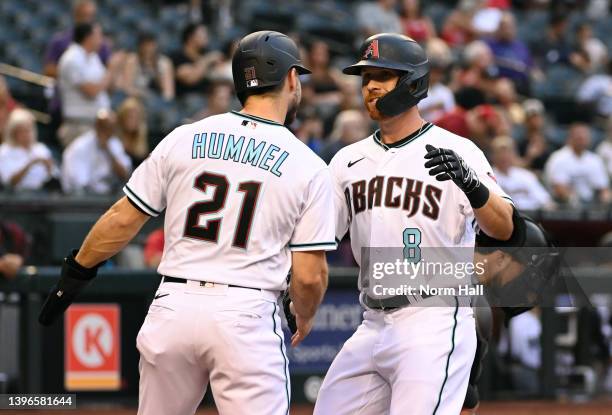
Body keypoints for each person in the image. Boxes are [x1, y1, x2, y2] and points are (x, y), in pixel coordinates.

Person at [39, 31, 336, 415]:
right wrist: (305, 312)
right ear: (291, 79)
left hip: (173, 306)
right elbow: (310, 277)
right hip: (246, 313)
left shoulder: (185, 136)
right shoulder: (308, 164)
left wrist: (74, 273)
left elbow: (121, 219)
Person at [314, 33, 514, 415]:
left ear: (413, 82)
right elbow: (318, 237)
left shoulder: (458, 149)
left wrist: (472, 186)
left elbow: (504, 227)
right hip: (371, 321)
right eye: (365, 77)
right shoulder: (345, 161)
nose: (370, 86)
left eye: (383, 76)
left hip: (432, 318)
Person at [57, 22, 112, 147]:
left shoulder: (93, 57)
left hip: (94, 125)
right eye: (99, 36)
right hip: (79, 125)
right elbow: (92, 91)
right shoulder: (71, 59)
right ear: (88, 37)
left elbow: (105, 87)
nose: (101, 40)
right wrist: (111, 70)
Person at [61, 110, 131, 194]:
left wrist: (108, 152)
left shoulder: (114, 144)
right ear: (97, 127)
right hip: (82, 197)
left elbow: (124, 174)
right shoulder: (80, 147)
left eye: (112, 128)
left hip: (107, 194)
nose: (108, 132)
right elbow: (80, 184)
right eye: (105, 127)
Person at [545, 123, 610, 206]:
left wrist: (606, 200)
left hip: (591, 204)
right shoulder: (558, 158)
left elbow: (603, 189)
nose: (582, 140)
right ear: (570, 138)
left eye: (584, 137)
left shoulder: (594, 160)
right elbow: (559, 189)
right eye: (579, 137)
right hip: (564, 205)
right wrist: (574, 201)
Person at [43, 0, 111, 78]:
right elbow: (48, 70)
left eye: (91, 16)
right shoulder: (61, 41)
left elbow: (108, 71)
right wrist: (75, 75)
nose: (87, 20)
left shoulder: (101, 44)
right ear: (75, 15)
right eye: (84, 15)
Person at [0, 109, 59, 191]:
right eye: (21, 131)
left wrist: (49, 168)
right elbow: (10, 182)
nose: (26, 134)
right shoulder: (4, 151)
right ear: (13, 132)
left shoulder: (41, 149)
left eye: (28, 130)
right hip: (14, 197)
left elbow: (54, 178)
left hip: (42, 194)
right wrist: (30, 164)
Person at [491, 136, 553, 211]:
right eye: (500, 152)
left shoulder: (526, 175)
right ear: (493, 156)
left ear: (514, 154)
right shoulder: (488, 177)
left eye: (508, 152)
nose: (504, 156)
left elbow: (545, 201)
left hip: (531, 217)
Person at [172, 23, 223, 98]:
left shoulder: (206, 53)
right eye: (202, 34)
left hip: (208, 99)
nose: (206, 37)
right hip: (187, 100)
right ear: (190, 37)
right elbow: (190, 79)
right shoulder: (178, 56)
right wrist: (207, 59)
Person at [120, 32, 175, 101]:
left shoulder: (164, 62)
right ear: (140, 46)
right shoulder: (132, 60)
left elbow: (169, 93)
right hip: (137, 97)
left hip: (156, 98)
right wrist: (143, 94)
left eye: (151, 45)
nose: (148, 48)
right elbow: (127, 88)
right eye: (145, 45)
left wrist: (155, 70)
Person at [116, 98, 148, 168]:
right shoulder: (114, 138)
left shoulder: (141, 139)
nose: (133, 121)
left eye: (136, 117)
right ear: (122, 117)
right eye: (130, 117)